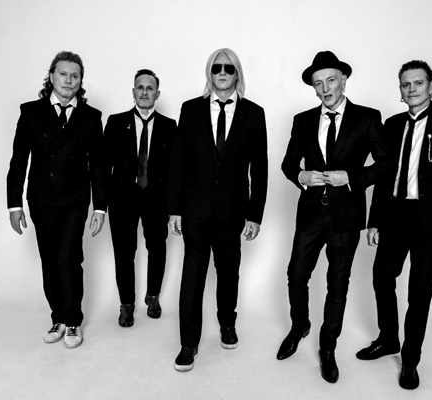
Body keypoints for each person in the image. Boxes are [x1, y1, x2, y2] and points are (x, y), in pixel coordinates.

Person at [277, 51, 393, 383]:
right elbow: (288, 164)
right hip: (311, 214)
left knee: (337, 284)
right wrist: (301, 176)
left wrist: (351, 178)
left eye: (330, 80)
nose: (325, 88)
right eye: (318, 83)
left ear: (343, 80)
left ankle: (327, 347)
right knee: (296, 275)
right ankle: (299, 326)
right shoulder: (302, 120)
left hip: (346, 216)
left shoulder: (367, 118)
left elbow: (387, 165)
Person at [356, 60, 432, 390]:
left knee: (419, 293)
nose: (412, 89)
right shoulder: (391, 125)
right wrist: (374, 221)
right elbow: (382, 175)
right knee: (381, 276)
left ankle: (410, 360)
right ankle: (388, 338)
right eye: (406, 85)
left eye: (419, 83)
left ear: (431, 86)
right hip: (394, 213)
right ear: (400, 92)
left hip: (429, 217)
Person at [168, 48, 268, 371]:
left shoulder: (254, 114)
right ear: (209, 74)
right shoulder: (190, 109)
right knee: (192, 278)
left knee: (228, 272)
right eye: (216, 68)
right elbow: (178, 162)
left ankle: (227, 323)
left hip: (232, 211)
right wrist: (174, 209)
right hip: (195, 210)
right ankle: (188, 343)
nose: (222, 73)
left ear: (237, 73)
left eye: (228, 68)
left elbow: (260, 169)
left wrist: (255, 215)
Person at [7, 51, 107, 348]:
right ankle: (59, 317)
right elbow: (18, 161)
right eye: (63, 74)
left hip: (75, 199)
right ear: (51, 76)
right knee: (50, 258)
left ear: (80, 81)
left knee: (69, 257)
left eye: (75, 76)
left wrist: (100, 207)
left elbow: (99, 166)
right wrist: (14, 204)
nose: (69, 80)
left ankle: (73, 320)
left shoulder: (91, 117)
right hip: (41, 199)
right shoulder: (30, 112)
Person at [104, 69, 177, 327]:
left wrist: (174, 206)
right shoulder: (116, 122)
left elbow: (175, 169)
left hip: (157, 198)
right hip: (122, 198)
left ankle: (153, 296)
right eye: (140, 87)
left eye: (150, 88)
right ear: (133, 91)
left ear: (157, 93)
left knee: (157, 248)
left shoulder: (170, 126)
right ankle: (126, 304)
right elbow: (103, 164)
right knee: (124, 251)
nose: (144, 92)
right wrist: (104, 201)